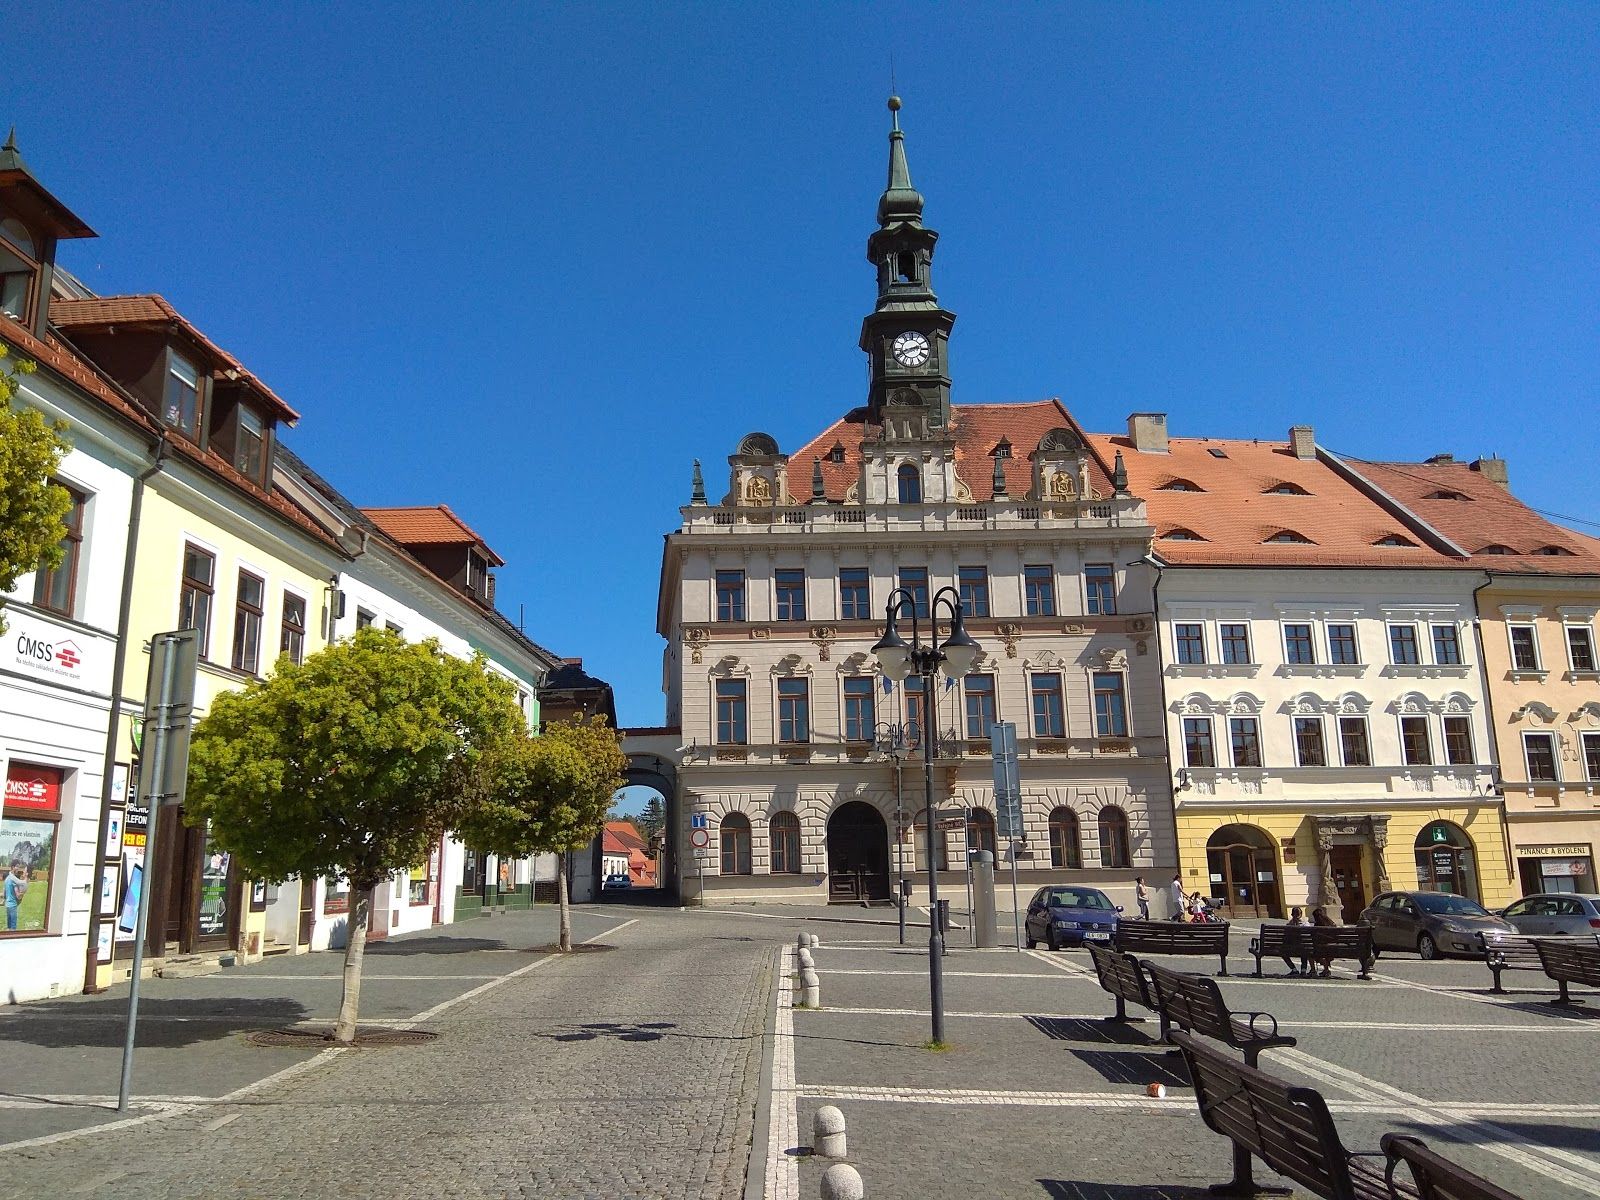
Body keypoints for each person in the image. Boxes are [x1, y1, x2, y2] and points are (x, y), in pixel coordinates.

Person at [1310, 905, 1338, 977]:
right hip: (1334, 948)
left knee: (1311, 953)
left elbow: (1314, 939)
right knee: (1324, 949)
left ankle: (1313, 970)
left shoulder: (1317, 926)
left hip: (1322, 949)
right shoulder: (1332, 924)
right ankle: (1326, 970)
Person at [1281, 907, 1309, 975]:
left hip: (1291, 949)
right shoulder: (1306, 924)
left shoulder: (1289, 925)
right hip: (1304, 949)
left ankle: (1294, 969)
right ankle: (1303, 970)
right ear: (1301, 914)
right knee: (1304, 948)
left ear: (1291, 914)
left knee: (1283, 953)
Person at [5, 861, 29, 932]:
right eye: (17, 866)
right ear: (13, 867)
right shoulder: (13, 879)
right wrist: (23, 893)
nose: (18, 868)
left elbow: (5, 893)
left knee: (9, 926)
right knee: (13, 928)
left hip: (8, 905)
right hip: (13, 906)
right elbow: (18, 895)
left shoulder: (7, 879)